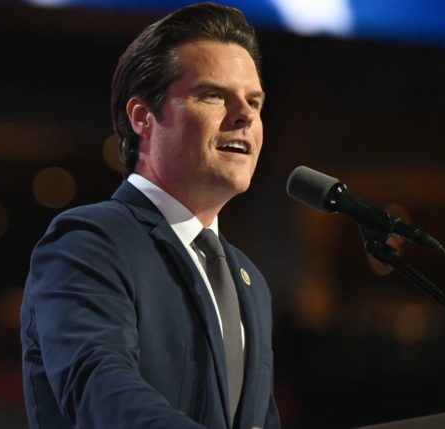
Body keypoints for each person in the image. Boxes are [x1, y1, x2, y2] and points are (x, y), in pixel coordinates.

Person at [20, 3, 279, 428]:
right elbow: (101, 388)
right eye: (213, 95)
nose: (245, 115)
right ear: (142, 117)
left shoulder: (250, 282)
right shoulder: (89, 243)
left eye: (254, 101)